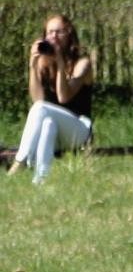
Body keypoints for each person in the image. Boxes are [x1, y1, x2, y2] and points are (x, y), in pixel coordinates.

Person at [10, 13, 93, 184]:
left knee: (41, 108)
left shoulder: (82, 64)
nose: (53, 36)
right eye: (50, 32)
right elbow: (37, 99)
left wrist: (61, 64)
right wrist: (33, 66)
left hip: (80, 131)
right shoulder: (44, 64)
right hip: (57, 133)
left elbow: (64, 97)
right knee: (47, 122)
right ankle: (40, 180)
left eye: (59, 32)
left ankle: (19, 162)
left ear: (69, 35)